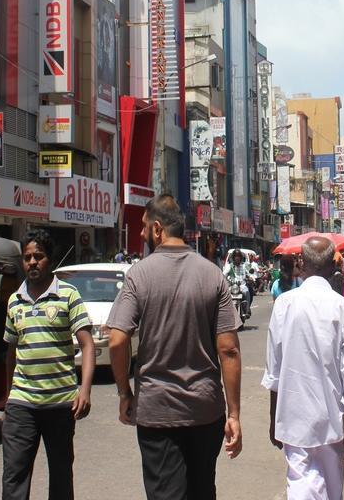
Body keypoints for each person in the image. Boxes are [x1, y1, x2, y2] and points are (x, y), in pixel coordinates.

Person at [107, 194, 242, 500]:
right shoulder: (212, 274)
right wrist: (233, 414)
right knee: (202, 491)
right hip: (206, 410)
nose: (140, 234)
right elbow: (229, 350)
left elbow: (117, 340)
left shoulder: (138, 275)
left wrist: (124, 393)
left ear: (158, 229)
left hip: (157, 413)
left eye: (143, 227)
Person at [263, 236, 344, 500]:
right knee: (332, 490)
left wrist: (274, 418)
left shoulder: (284, 305)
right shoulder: (343, 308)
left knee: (300, 485)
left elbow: (274, 370)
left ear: (302, 264)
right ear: (333, 266)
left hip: (293, 416)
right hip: (331, 417)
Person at [2, 230, 95, 500]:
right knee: (14, 477)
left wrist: (85, 391)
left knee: (61, 476)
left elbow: (87, 344)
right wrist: (9, 399)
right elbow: (11, 352)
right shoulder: (14, 301)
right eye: (27, 257)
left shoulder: (68, 295)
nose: (32, 262)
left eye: (38, 256)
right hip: (22, 404)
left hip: (60, 404)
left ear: (49, 260)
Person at [223, 249, 252, 318]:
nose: (237, 257)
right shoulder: (229, 266)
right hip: (232, 287)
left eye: (238, 256)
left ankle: (247, 309)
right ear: (233, 257)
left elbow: (251, 273)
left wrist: (251, 277)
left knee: (247, 291)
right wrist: (224, 279)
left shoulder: (245, 265)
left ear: (241, 257)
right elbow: (223, 274)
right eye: (235, 256)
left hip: (242, 286)